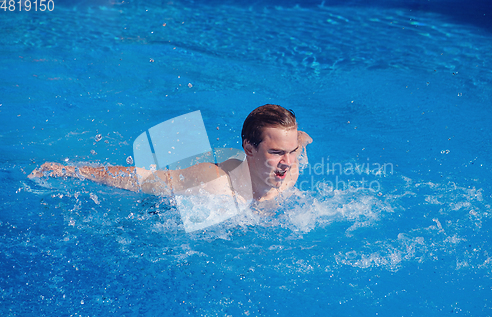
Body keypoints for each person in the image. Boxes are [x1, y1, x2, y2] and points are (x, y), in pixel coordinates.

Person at [29, 104, 312, 202]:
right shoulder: (214, 183)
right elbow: (142, 178)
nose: (286, 162)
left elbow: (301, 138)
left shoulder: (290, 168)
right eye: (276, 153)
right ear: (249, 148)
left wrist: (296, 143)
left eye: (292, 152)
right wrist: (71, 170)